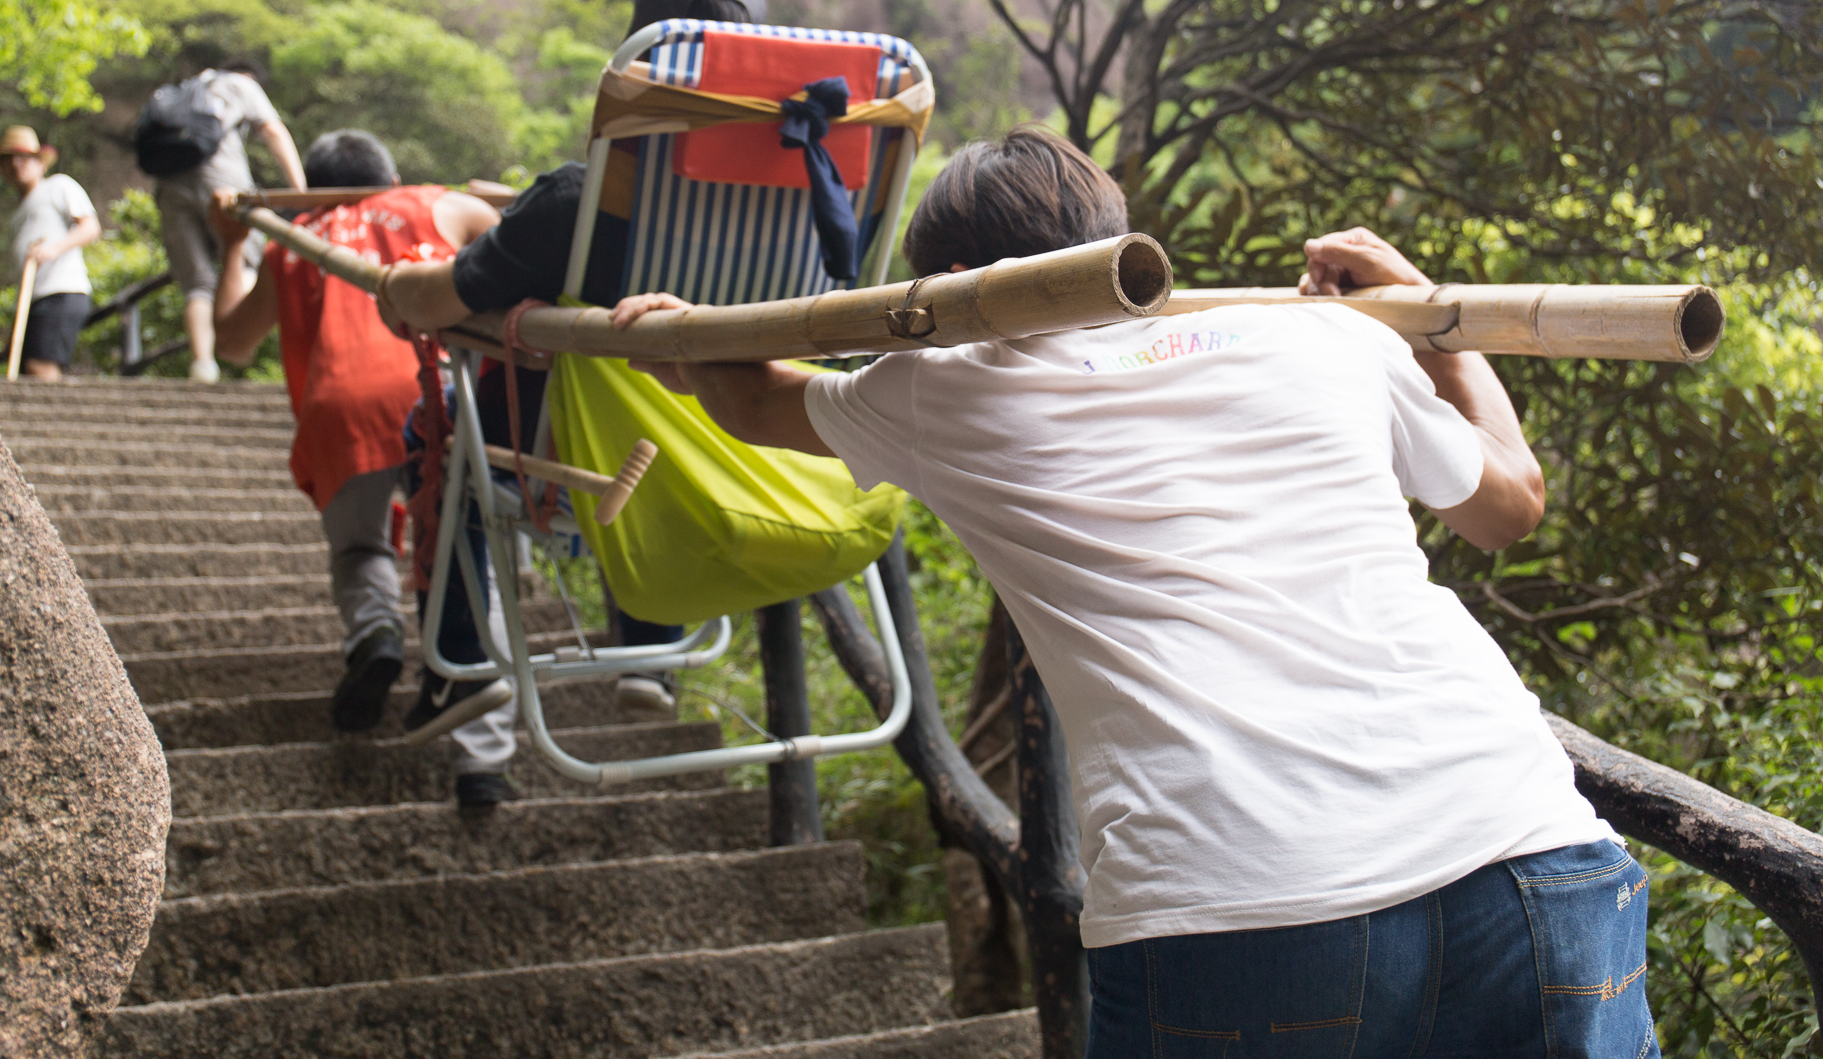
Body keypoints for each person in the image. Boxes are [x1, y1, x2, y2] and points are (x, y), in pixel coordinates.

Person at [606, 126, 1656, 1055]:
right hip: (1528, 849)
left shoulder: (941, 387)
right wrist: (1432, 322)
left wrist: (680, 329)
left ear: (955, 285)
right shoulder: (1326, 337)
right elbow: (1508, 504)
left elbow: (748, 396)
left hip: (1236, 906)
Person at [376, 0, 770, 720]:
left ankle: (457, 660)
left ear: (629, 73)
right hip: (750, 435)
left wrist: (395, 283)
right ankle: (653, 652)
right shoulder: (803, 222)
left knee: (438, 433)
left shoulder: (577, 203)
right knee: (657, 411)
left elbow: (447, 295)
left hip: (562, 454)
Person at [210, 130, 522, 811]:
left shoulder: (293, 238)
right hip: (429, 389)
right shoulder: (439, 203)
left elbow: (231, 343)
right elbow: (520, 250)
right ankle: (483, 761)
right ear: (391, 174)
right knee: (472, 566)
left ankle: (376, 633)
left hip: (337, 406)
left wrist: (233, 241)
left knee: (360, 548)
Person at [155, 61, 307, 385]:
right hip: (221, 181)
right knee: (246, 257)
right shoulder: (240, 84)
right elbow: (273, 130)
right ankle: (239, 340)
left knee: (197, 282)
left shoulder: (182, 90)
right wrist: (300, 192)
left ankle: (203, 365)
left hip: (169, 187)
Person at [0, 125, 100, 382]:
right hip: (35, 300)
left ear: (40, 163)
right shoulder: (18, 214)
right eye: (9, 159)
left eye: (24, 158)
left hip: (61, 292)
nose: (16, 164)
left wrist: (52, 249)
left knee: (40, 367)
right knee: (30, 370)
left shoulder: (58, 186)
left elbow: (90, 226)